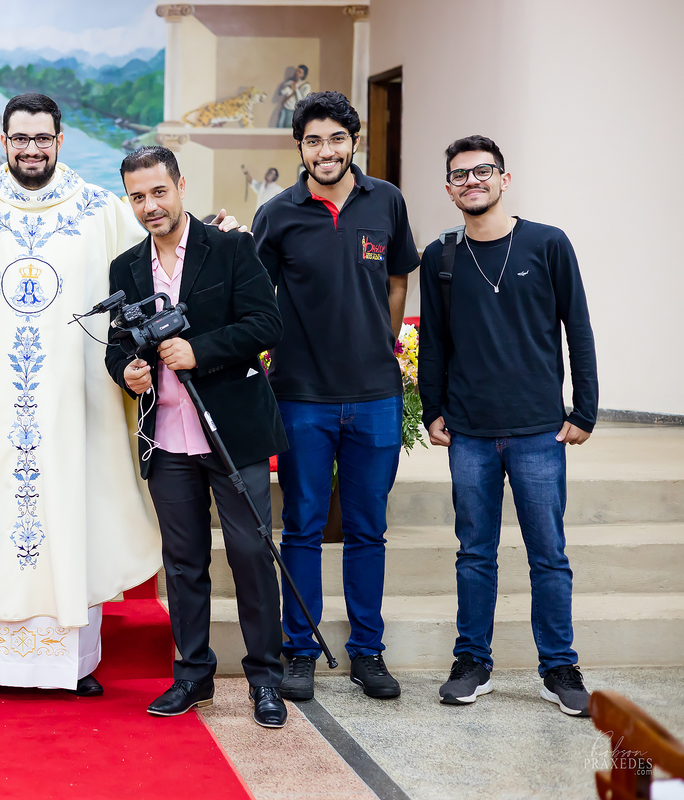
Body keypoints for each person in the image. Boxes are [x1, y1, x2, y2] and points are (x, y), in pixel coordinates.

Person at [0, 93, 242, 698]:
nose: (31, 148)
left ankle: (70, 664)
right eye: (20, 138)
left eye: (42, 138)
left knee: (72, 511)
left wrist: (217, 234)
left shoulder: (99, 209)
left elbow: (167, 246)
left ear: (60, 140)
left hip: (78, 404)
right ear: (4, 140)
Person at [106, 146, 289, 727]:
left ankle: (265, 679)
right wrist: (126, 371)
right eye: (137, 196)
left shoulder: (231, 247)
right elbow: (116, 345)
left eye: (158, 192)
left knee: (251, 554)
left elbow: (266, 322)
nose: (149, 206)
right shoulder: (126, 267)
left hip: (232, 431)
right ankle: (192, 675)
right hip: (165, 436)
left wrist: (200, 351)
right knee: (182, 562)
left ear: (180, 186)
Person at [419, 136, 598, 716]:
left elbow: (579, 327)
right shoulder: (440, 257)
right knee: (475, 552)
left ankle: (559, 668)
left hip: (538, 431)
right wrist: (432, 408)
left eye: (482, 171)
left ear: (504, 177)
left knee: (549, 553)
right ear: (448, 189)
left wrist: (584, 408)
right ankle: (472, 660)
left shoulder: (547, 243)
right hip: (469, 431)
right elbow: (436, 341)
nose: (472, 181)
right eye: (460, 174)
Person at [251, 91, 418, 702]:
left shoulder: (387, 202)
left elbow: (397, 280)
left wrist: (383, 341)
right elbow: (255, 297)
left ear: (354, 142)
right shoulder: (279, 213)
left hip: (375, 395)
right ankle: (300, 650)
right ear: (300, 147)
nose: (326, 151)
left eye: (337, 139)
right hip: (301, 397)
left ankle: (367, 651)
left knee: (368, 530)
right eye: (314, 140)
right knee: (302, 527)